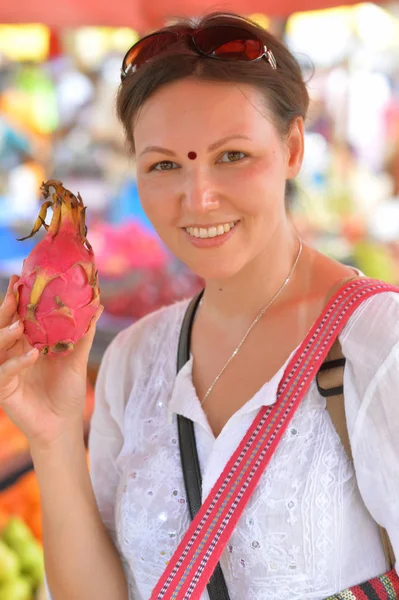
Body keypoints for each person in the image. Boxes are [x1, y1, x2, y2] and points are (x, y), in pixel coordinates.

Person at [0, 12, 398, 600]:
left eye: (232, 155)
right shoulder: (134, 359)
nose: (199, 197)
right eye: (164, 164)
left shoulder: (380, 346)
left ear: (291, 148)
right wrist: (55, 437)